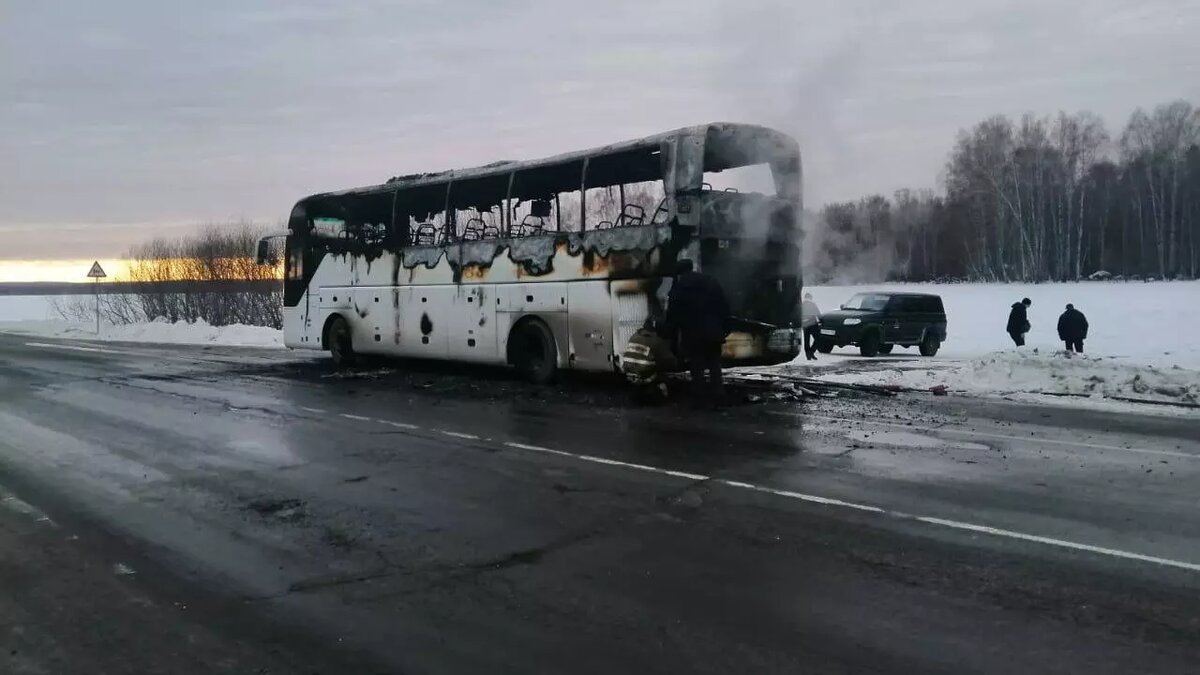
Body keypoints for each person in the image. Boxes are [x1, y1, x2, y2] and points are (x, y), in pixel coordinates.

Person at [665, 258, 731, 407]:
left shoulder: (678, 289)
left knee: (697, 368)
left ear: (679, 273)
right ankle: (719, 397)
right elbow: (724, 307)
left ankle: (700, 399)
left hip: (693, 335)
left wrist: (670, 334)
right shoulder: (710, 282)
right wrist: (724, 328)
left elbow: (673, 315)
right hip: (713, 332)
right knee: (715, 366)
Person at [621, 319, 678, 404]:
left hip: (628, 370)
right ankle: (656, 393)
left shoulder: (634, 336)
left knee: (641, 379)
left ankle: (637, 394)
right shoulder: (656, 341)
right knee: (662, 378)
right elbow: (670, 361)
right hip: (644, 372)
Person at [800, 292, 822, 360]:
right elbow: (818, 313)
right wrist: (821, 321)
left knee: (806, 340)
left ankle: (808, 355)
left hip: (804, 325)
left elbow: (798, 314)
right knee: (818, 339)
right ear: (810, 298)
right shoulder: (812, 304)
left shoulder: (801, 305)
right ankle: (811, 351)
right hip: (812, 323)